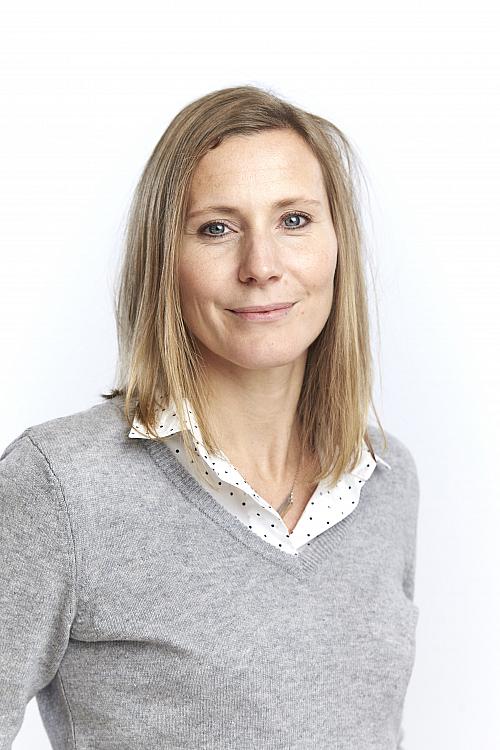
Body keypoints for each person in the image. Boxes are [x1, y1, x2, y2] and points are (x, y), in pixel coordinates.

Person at [0, 85, 420, 749]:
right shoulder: (61, 487)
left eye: (294, 221)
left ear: (337, 243)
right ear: (165, 259)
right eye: (216, 229)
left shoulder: (385, 479)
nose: (261, 267)